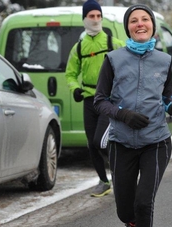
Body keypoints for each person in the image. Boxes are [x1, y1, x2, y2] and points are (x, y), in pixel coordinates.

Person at [94, 4, 172, 227]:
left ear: (152, 26)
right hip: (121, 142)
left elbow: (166, 96)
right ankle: (129, 223)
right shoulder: (113, 59)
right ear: (128, 28)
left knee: (144, 203)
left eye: (145, 19)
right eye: (134, 21)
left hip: (156, 141)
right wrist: (123, 115)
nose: (140, 24)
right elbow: (99, 101)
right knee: (126, 209)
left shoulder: (164, 60)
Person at [65, 0, 124, 197]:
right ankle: (103, 181)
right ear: (85, 19)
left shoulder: (112, 43)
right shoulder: (79, 47)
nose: (96, 20)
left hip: (108, 100)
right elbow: (71, 73)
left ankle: (120, 174)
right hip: (89, 100)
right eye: (92, 16)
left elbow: (128, 64)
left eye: (99, 16)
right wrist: (74, 88)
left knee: (101, 141)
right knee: (91, 143)